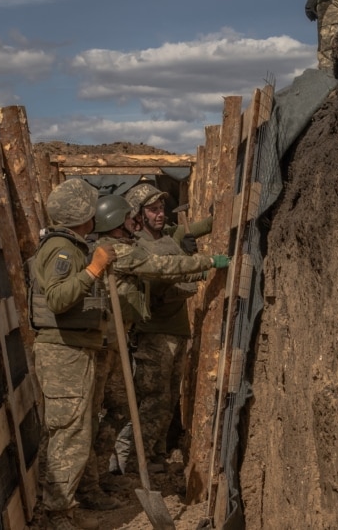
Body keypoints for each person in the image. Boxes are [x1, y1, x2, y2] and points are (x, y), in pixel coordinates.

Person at [88, 194, 228, 482]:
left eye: (162, 208)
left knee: (143, 402)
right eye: (151, 209)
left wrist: (221, 210)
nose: (159, 214)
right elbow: (160, 267)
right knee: (136, 400)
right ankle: (111, 467)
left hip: (128, 335)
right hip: (135, 334)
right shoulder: (126, 248)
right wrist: (206, 262)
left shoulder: (165, 237)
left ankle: (119, 467)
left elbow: (207, 226)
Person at [29, 178, 118, 530]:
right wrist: (93, 269)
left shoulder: (72, 246)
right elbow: (58, 299)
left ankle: (60, 508)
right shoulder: (63, 249)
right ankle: (58, 515)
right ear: (83, 213)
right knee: (69, 435)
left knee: (68, 433)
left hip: (73, 350)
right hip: (63, 352)